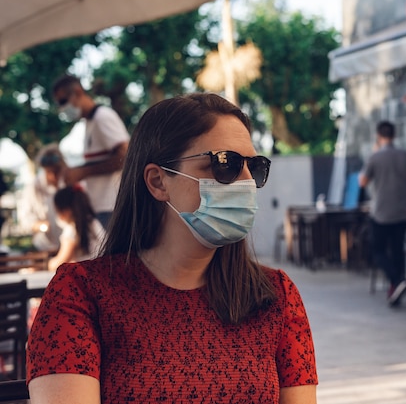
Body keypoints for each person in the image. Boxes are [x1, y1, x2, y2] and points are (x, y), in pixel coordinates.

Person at [27, 93, 317, 404]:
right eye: (225, 163)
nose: (246, 181)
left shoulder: (276, 295)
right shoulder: (81, 294)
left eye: (254, 167)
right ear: (158, 181)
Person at [52, 74, 130, 229]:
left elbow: (125, 156)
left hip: (112, 206)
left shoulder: (103, 117)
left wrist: (83, 172)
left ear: (78, 91)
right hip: (102, 207)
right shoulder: (89, 122)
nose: (62, 108)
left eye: (63, 101)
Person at [359, 120, 406, 307]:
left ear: (378, 135)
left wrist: (374, 151)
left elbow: (362, 182)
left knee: (377, 251)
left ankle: (397, 280)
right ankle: (396, 288)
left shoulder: (375, 157)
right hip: (402, 212)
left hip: (381, 213)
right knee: (397, 250)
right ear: (394, 135)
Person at [46, 185, 105, 271]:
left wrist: (49, 263)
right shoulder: (94, 223)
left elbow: (59, 263)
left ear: (66, 211)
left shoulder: (71, 230)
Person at [29, 144, 67, 252]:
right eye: (49, 171)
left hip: (69, 245)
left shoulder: (68, 184)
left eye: (56, 171)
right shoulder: (34, 187)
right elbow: (26, 218)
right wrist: (39, 225)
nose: (53, 176)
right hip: (45, 246)